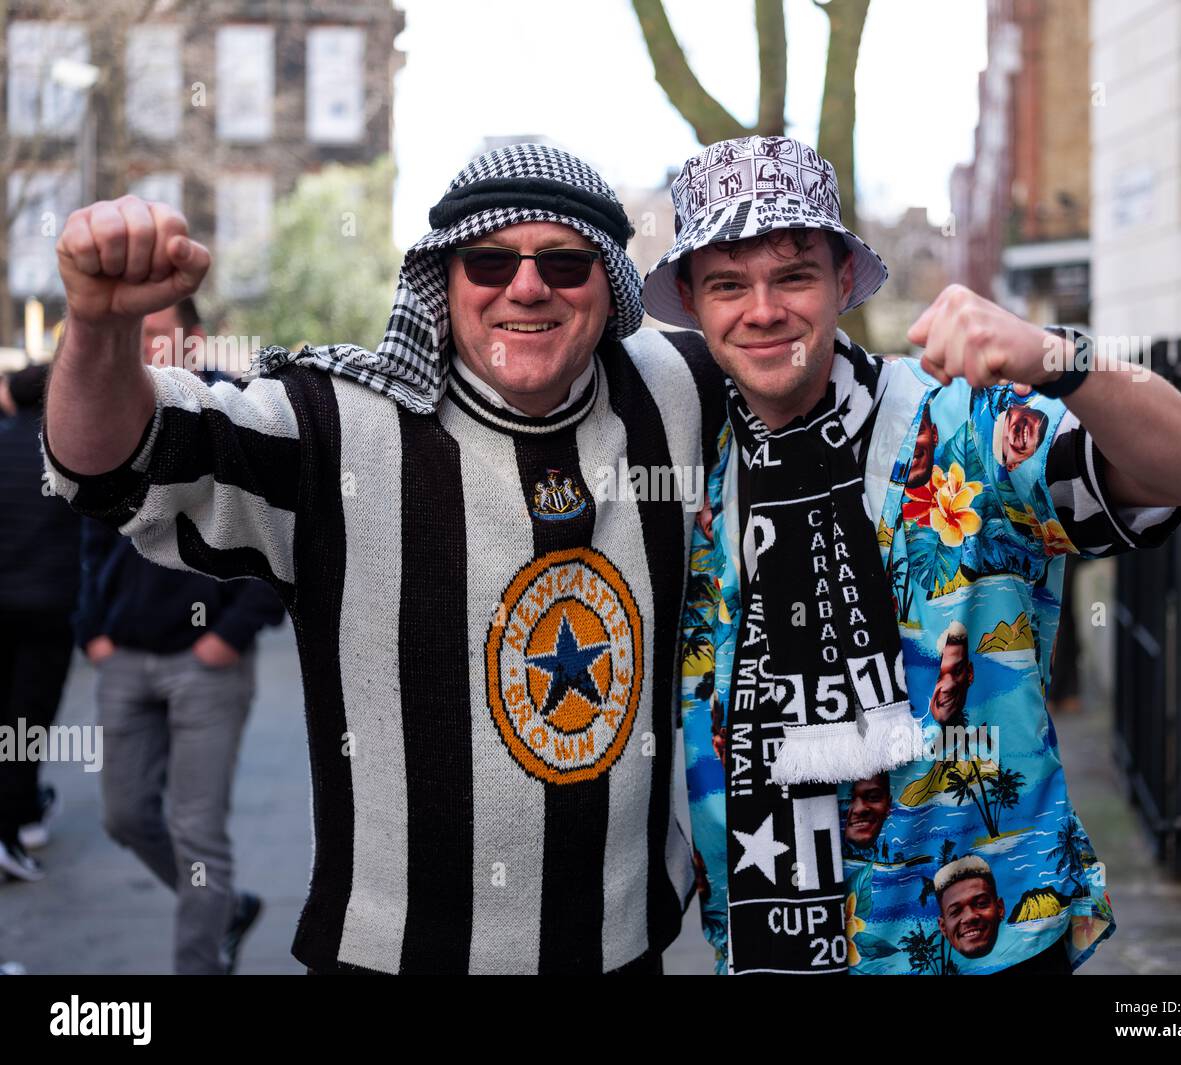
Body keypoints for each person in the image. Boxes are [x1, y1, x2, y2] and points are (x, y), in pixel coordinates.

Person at [42, 144, 724, 974]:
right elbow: (110, 465)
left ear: (610, 283)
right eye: (489, 260)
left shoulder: (678, 389)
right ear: (444, 278)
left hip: (623, 952)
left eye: (566, 262)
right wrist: (99, 330)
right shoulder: (334, 428)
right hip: (394, 961)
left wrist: (933, 348)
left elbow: (824, 379)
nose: (527, 286)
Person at [662, 135, 1181, 975]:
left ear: (844, 281)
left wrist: (1058, 358)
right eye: (726, 284)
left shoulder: (961, 426)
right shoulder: (685, 467)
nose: (763, 309)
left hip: (985, 948)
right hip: (762, 948)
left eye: (793, 275)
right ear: (692, 300)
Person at [72, 297, 284, 974]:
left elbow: (276, 528)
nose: (141, 348)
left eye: (156, 335)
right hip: (123, 656)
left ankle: (199, 960)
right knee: (125, 814)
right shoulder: (108, 416)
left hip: (207, 663)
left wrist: (234, 630)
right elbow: (84, 529)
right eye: (130, 335)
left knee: (198, 833)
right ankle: (226, 906)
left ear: (193, 340)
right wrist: (91, 630)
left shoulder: (238, 412)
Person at [0, 364, 81, 882]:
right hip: (49, 609)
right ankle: (16, 824)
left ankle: (24, 812)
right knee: (27, 723)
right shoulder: (69, 454)